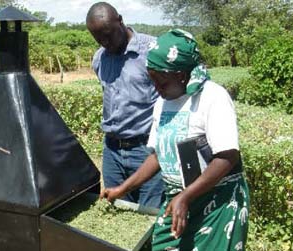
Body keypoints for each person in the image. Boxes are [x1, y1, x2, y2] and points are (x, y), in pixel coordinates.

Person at [100, 29, 249, 250]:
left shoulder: (212, 97)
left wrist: (186, 196)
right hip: (178, 199)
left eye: (162, 82)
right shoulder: (164, 101)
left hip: (216, 202)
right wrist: (122, 189)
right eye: (153, 81)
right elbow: (158, 155)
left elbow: (227, 157)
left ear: (181, 75)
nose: (157, 89)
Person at [86, 2, 164, 208]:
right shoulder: (99, 58)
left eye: (108, 34)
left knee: (149, 215)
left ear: (120, 20)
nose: (105, 42)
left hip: (146, 150)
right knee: (118, 210)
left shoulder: (152, 52)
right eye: (98, 38)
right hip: (112, 150)